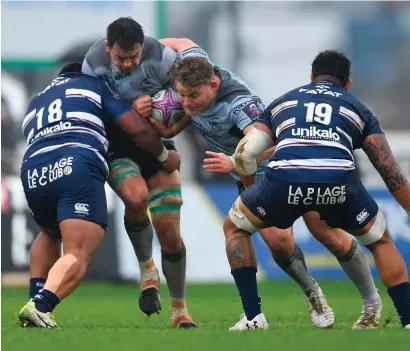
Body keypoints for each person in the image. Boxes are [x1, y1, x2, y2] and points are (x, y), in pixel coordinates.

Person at [147, 55, 382, 330]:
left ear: (213, 84)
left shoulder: (239, 107)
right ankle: (310, 295)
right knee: (278, 242)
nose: (186, 103)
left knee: (328, 235)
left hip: (283, 170)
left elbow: (277, 142)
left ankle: (371, 302)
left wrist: (235, 161)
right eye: (182, 95)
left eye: (193, 96)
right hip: (250, 176)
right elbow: (181, 46)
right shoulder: (194, 88)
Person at [223, 50, 410, 330]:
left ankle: (253, 318)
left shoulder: (284, 102)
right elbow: (388, 169)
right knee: (380, 241)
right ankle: (407, 318)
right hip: (338, 182)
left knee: (235, 228)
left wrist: (253, 193)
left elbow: (243, 154)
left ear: (310, 78)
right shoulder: (357, 107)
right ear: (347, 83)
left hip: (283, 182)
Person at [18, 63, 179, 328]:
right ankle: (40, 305)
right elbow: (136, 128)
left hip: (33, 170)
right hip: (75, 162)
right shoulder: (92, 84)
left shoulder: (36, 101)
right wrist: (164, 154)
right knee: (78, 251)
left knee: (48, 233)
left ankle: (34, 298)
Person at [82, 17, 207, 328]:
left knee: (170, 235)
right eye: (121, 58)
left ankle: (180, 310)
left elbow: (192, 99)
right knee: (135, 198)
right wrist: (127, 111)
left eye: (134, 56)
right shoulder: (93, 64)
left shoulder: (163, 57)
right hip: (118, 148)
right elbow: (91, 114)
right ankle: (147, 269)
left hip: (158, 143)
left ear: (143, 46)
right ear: (108, 47)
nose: (128, 63)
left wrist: (166, 113)